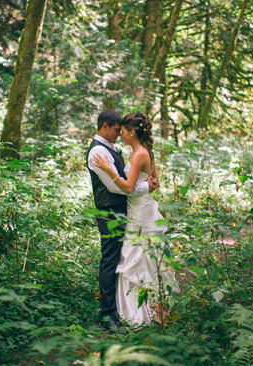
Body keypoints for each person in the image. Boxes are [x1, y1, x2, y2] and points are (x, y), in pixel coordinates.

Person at [93, 112, 175, 326]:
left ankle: (143, 311)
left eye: (124, 131)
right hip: (139, 208)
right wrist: (148, 186)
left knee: (138, 256)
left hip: (139, 211)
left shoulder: (139, 154)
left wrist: (110, 169)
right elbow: (153, 180)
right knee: (140, 256)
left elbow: (129, 187)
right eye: (117, 131)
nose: (121, 135)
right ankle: (149, 307)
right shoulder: (142, 151)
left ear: (132, 132)